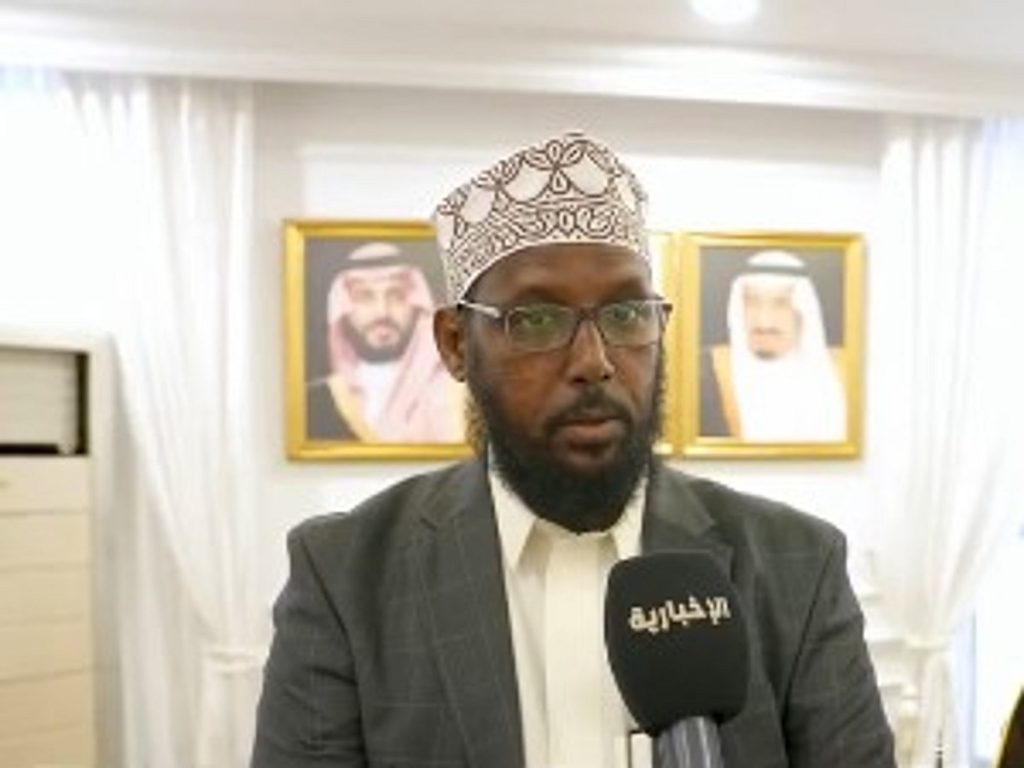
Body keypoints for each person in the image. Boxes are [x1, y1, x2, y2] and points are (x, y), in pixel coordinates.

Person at [253, 131, 895, 767]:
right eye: (536, 320)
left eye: (626, 315)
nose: (594, 361)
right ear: (455, 344)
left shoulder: (796, 567)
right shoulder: (347, 577)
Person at [306, 241, 463, 442]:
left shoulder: (453, 392)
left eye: (396, 295)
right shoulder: (323, 397)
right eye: (365, 297)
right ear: (343, 306)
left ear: (417, 304)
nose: (382, 312)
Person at [699, 250, 848, 442]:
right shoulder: (706, 372)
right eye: (751, 302)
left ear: (804, 310)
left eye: (781, 303)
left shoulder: (847, 371)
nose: (764, 321)